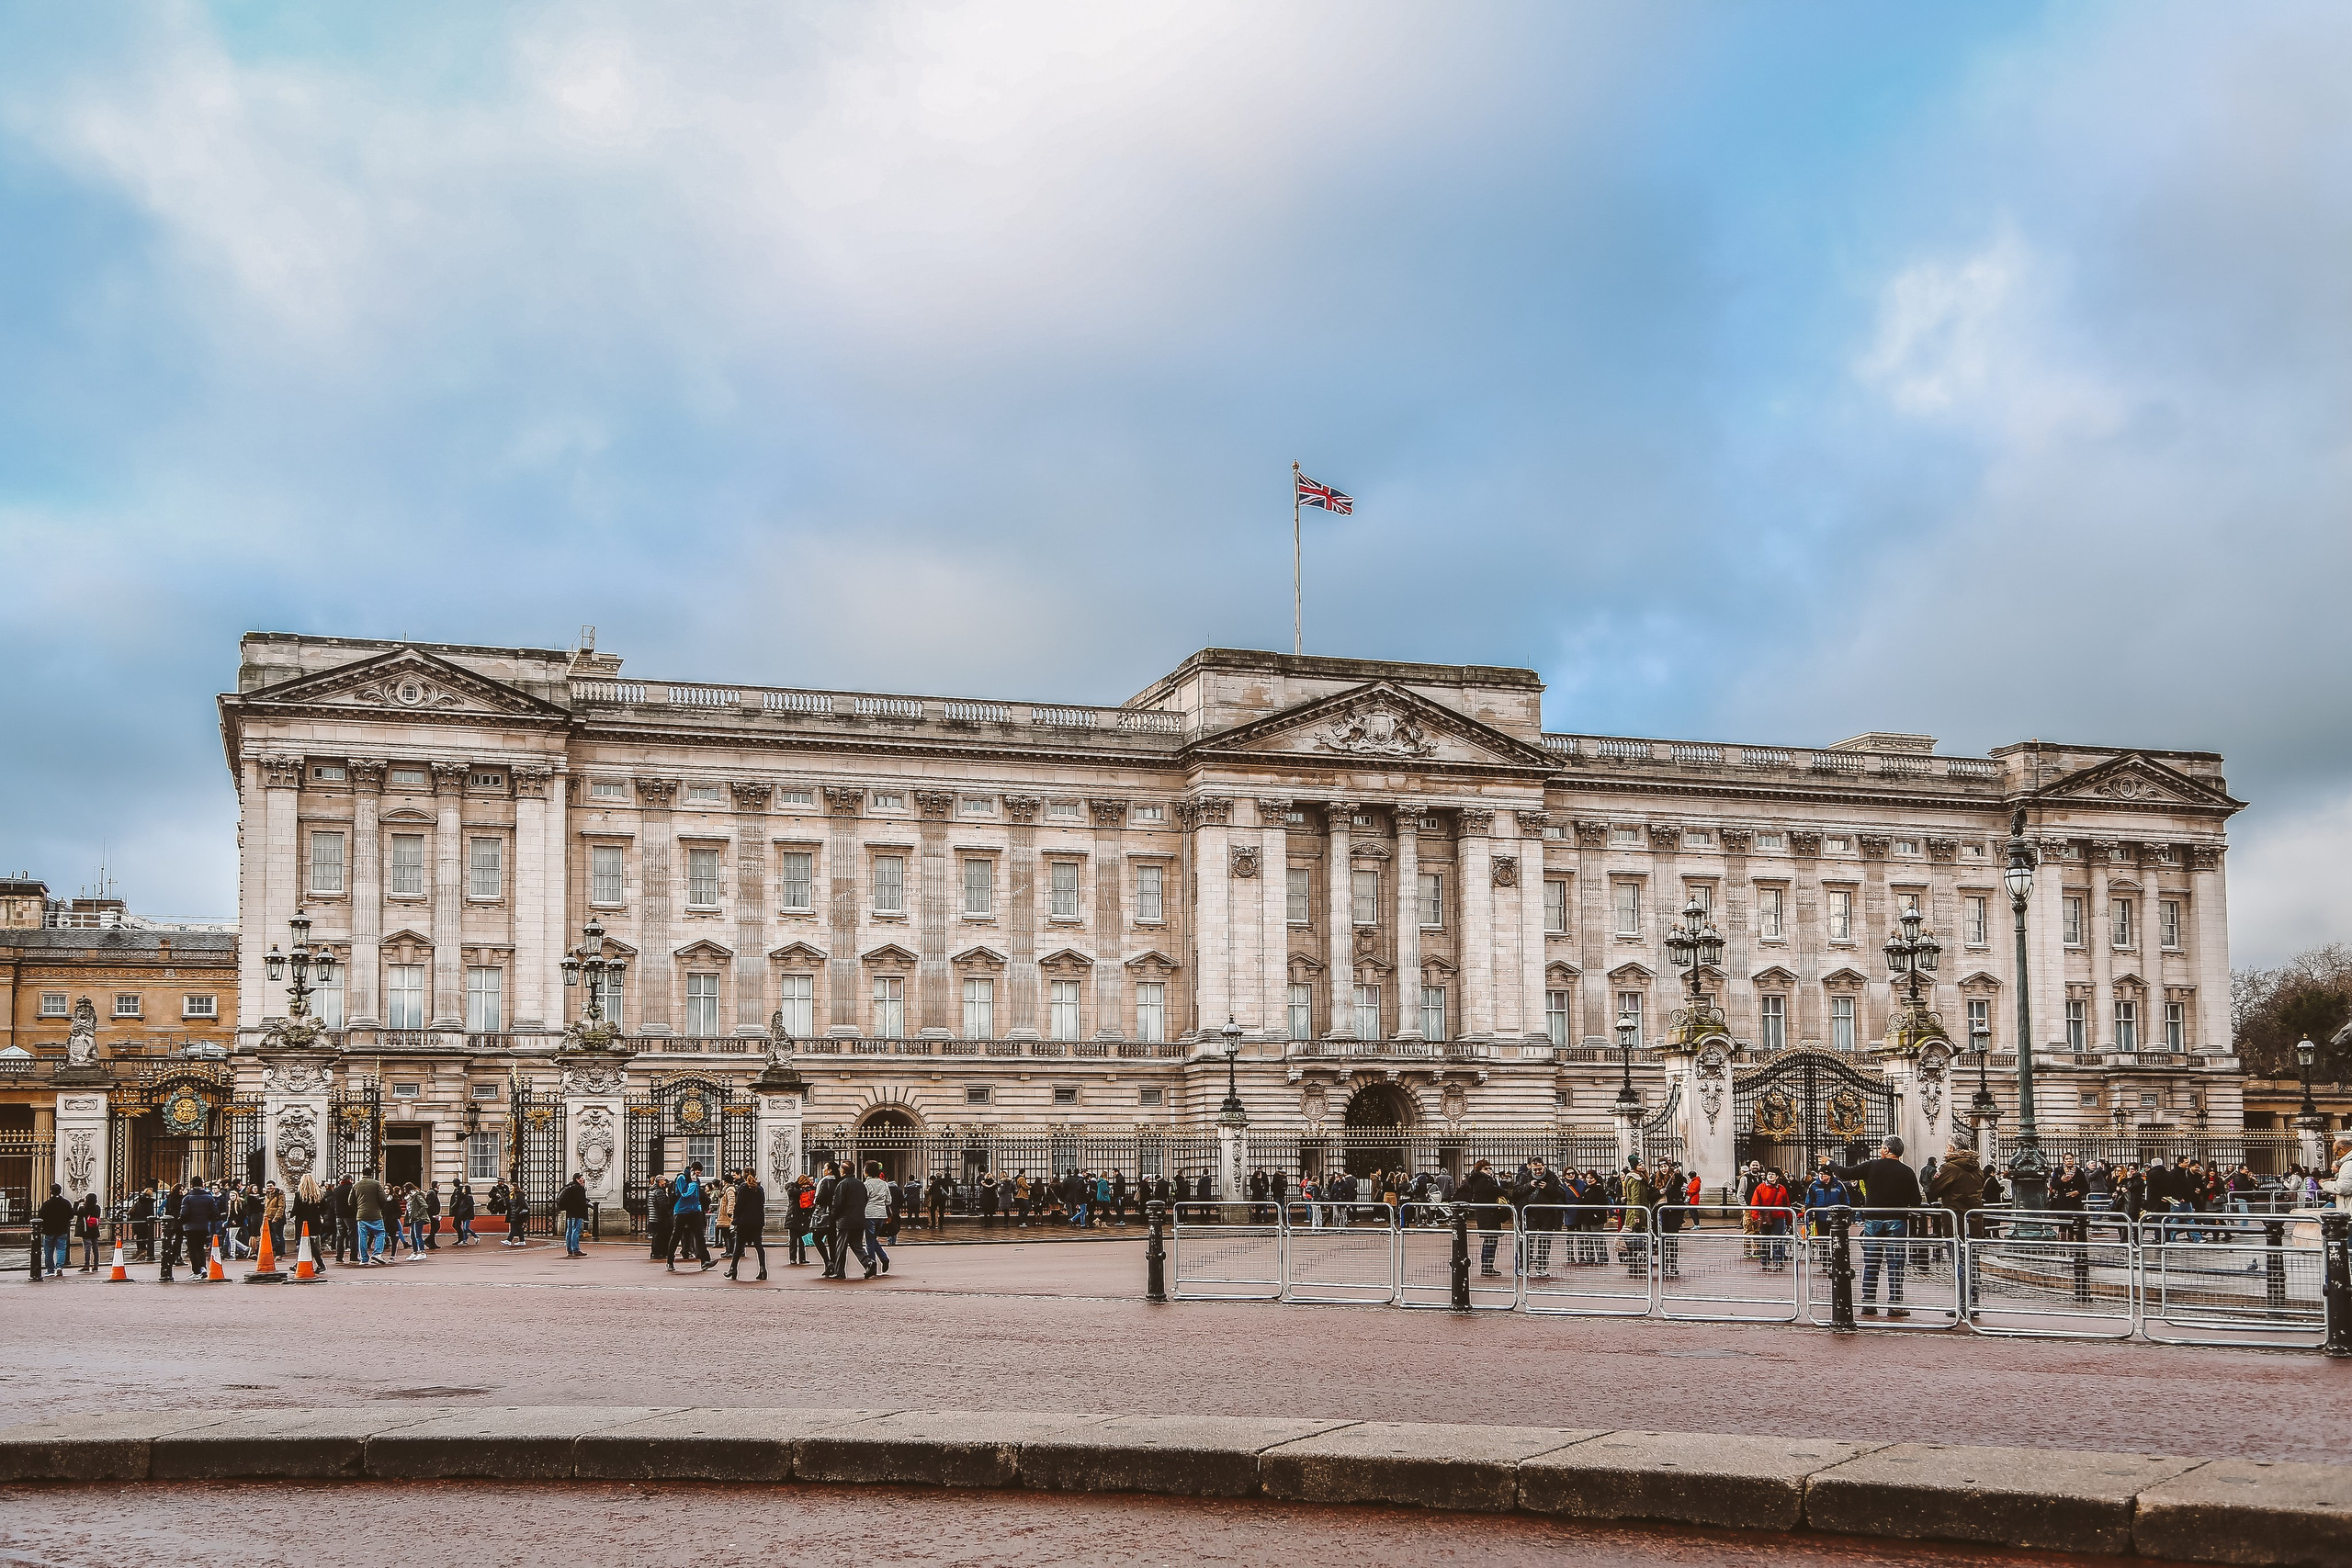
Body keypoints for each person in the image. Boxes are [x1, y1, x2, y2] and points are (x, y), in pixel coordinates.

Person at [1825, 1136, 1923, 1318]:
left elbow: (1844, 1173)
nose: (1880, 1150)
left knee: (1871, 1262)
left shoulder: (1871, 1166)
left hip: (1873, 1220)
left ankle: (1868, 1303)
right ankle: (1895, 1304)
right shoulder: (1907, 1171)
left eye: (1881, 1147)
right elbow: (1915, 1200)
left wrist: (1830, 1163)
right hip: (1896, 1220)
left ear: (1886, 1150)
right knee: (1895, 1263)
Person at [1927, 1141, 1984, 1312]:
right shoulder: (1977, 1167)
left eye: (1947, 1147)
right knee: (1973, 1264)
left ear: (1952, 1148)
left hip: (1956, 1222)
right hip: (1974, 1222)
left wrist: (1935, 1176)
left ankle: (1963, 1304)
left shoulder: (1950, 1168)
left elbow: (1933, 1190)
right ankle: (1973, 1302)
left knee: (1960, 1265)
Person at [825, 1162, 874, 1280]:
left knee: (841, 1247)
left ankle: (839, 1271)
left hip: (845, 1220)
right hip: (859, 1219)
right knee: (857, 1245)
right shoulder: (861, 1184)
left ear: (843, 1171)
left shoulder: (843, 1184)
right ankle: (868, 1262)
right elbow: (865, 1200)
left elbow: (837, 1204)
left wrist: (833, 1217)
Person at [668, 1163, 714, 1272]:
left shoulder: (696, 1180)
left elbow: (696, 1195)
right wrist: (693, 1183)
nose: (699, 1174)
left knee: (699, 1236)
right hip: (682, 1210)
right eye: (698, 1172)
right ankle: (670, 1261)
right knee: (676, 1235)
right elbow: (685, 1193)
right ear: (693, 1170)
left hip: (694, 1210)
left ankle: (705, 1261)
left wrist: (698, 1206)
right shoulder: (681, 1178)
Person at [729, 1169, 768, 1280]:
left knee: (738, 1246)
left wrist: (735, 1219)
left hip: (744, 1221)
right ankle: (763, 1269)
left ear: (744, 1176)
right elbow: (762, 1203)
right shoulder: (760, 1188)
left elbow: (739, 1205)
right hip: (757, 1221)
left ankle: (733, 1269)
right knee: (759, 1246)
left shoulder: (743, 1187)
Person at [180, 1179, 220, 1274]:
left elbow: (184, 1214)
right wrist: (207, 1218)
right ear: (202, 1185)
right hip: (204, 1226)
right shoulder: (209, 1197)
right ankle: (203, 1267)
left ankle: (196, 1271)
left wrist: (183, 1222)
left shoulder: (187, 1198)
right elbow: (215, 1213)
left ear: (191, 1185)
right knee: (200, 1248)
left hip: (191, 1227)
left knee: (193, 1249)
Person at [863, 1160, 893, 1276]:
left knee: (869, 1241)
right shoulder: (884, 1184)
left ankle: (872, 1264)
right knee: (873, 1239)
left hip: (869, 1214)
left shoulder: (866, 1184)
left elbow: (864, 1199)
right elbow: (889, 1201)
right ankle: (883, 1257)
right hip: (881, 1215)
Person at [559, 1172, 589, 1257]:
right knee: (575, 1231)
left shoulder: (569, 1187)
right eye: (581, 1178)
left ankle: (569, 1249)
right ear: (577, 1179)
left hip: (570, 1213)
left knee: (569, 1231)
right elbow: (581, 1202)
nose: (583, 1180)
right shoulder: (578, 1188)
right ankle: (575, 1249)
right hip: (577, 1212)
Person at [74, 1190, 103, 1272]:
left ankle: (86, 1265)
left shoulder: (83, 1209)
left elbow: (74, 1212)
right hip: (95, 1230)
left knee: (87, 1248)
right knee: (95, 1248)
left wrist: (77, 1202)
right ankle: (96, 1264)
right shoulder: (97, 1208)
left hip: (86, 1230)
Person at [450, 1178, 476, 1246]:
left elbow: (458, 1201)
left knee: (459, 1226)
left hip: (459, 1211)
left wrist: (453, 1208)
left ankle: (463, 1238)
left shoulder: (459, 1191)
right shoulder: (458, 1190)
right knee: (460, 1226)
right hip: (460, 1211)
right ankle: (463, 1238)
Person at [424, 1181, 443, 1250]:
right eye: (438, 1185)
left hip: (434, 1213)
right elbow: (430, 1204)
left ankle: (432, 1242)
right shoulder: (432, 1193)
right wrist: (434, 1213)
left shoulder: (434, 1192)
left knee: (434, 1227)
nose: (439, 1186)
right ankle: (429, 1240)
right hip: (432, 1214)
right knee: (436, 1227)